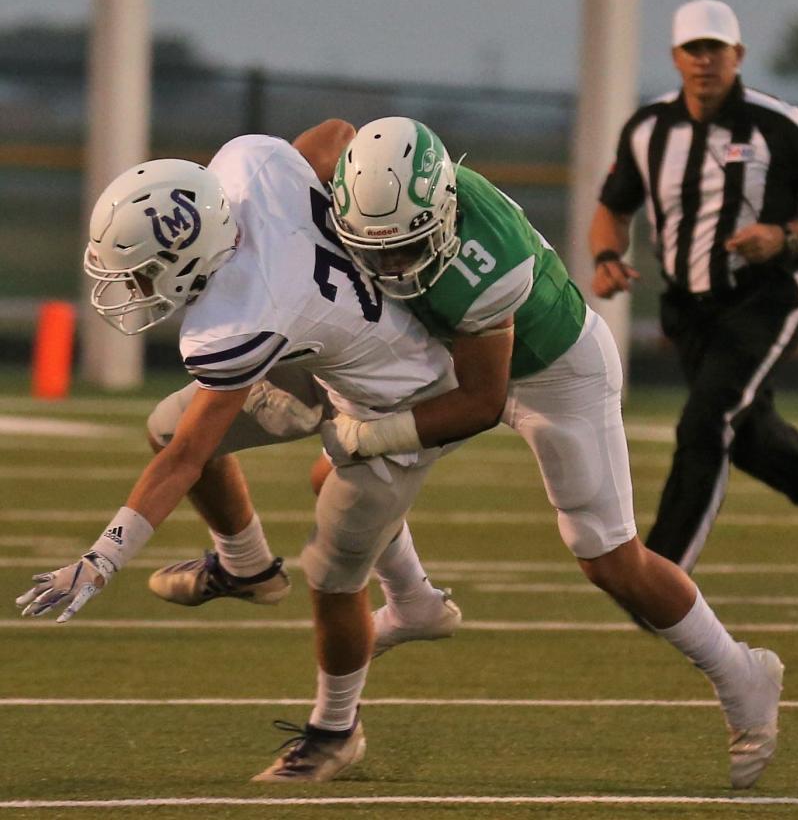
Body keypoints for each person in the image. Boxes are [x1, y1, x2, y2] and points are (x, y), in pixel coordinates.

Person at [320, 115, 784, 789]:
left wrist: (370, 432)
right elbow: (332, 135)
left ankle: (742, 675)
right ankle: (413, 598)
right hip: (453, 354)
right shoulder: (365, 190)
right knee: (341, 478)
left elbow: (481, 402)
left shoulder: (490, 259)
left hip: (553, 368)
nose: (391, 267)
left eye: (408, 247)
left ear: (444, 209)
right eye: (376, 249)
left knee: (608, 558)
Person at [14, 122, 463, 783]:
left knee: (334, 573)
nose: (133, 291)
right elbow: (336, 135)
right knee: (169, 422)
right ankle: (248, 567)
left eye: (143, 276)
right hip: (322, 353)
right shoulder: (248, 169)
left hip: (402, 396)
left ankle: (335, 731)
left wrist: (103, 556)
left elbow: (187, 461)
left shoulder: (237, 318)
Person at [587, 0, 798, 592]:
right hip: (690, 309)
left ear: (737, 56)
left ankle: (659, 576)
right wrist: (607, 258)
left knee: (706, 420)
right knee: (745, 436)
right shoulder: (648, 129)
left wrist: (784, 234)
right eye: (693, 50)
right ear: (675, 57)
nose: (704, 62)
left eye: (715, 50)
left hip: (768, 296)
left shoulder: (779, 124)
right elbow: (613, 207)